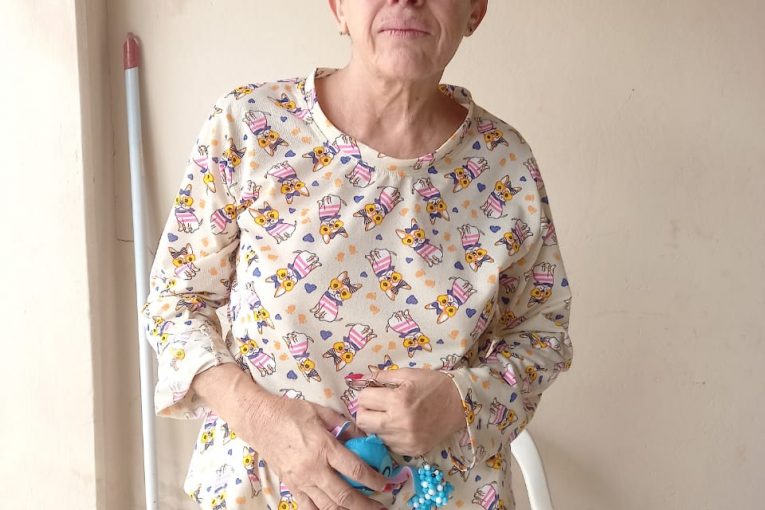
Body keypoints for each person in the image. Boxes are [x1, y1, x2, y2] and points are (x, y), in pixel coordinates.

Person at [139, 1, 574, 509]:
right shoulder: (250, 127)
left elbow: (542, 336)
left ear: (475, 11)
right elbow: (174, 303)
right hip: (262, 493)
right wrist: (260, 418)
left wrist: (463, 402)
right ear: (338, 7)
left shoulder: (505, 165)